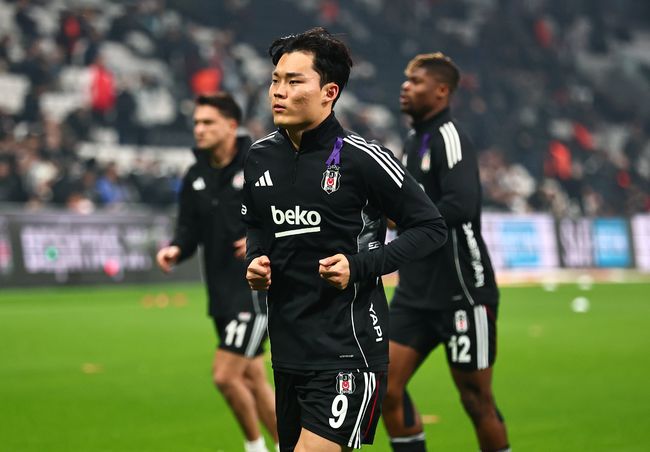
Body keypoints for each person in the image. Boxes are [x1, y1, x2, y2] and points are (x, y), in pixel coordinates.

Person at [243, 28, 448, 452]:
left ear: (329, 92)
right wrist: (256, 259)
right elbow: (257, 226)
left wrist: (359, 267)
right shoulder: (259, 157)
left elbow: (431, 227)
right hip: (288, 352)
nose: (278, 91)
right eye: (275, 80)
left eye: (294, 81)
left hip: (350, 350)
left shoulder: (362, 157)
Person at [382, 53, 511, 452]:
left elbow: (461, 204)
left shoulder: (449, 137)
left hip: (462, 292)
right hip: (415, 294)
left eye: (416, 81)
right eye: (406, 80)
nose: (405, 86)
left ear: (441, 91)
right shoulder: (411, 142)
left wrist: (407, 220)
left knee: (476, 400)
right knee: (384, 386)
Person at [156, 93, 279, 452]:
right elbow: (187, 229)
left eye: (208, 122)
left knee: (225, 376)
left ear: (230, 125)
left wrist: (261, 239)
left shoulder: (259, 164)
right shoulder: (195, 175)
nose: (199, 129)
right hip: (221, 292)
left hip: (255, 292)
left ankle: (255, 448)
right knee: (252, 378)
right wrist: (175, 248)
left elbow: (287, 215)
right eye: (197, 123)